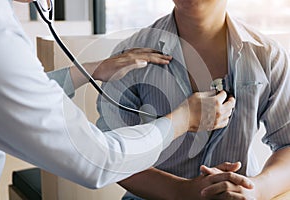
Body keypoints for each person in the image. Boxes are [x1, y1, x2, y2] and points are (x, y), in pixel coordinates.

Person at [0, 0, 238, 200]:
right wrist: (183, 119)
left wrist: (89, 70)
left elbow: (12, 94)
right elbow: (97, 160)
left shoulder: (263, 54)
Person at [95, 0, 290, 199]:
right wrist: (182, 191)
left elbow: (287, 144)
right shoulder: (129, 56)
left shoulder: (268, 56)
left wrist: (256, 189)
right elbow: (110, 155)